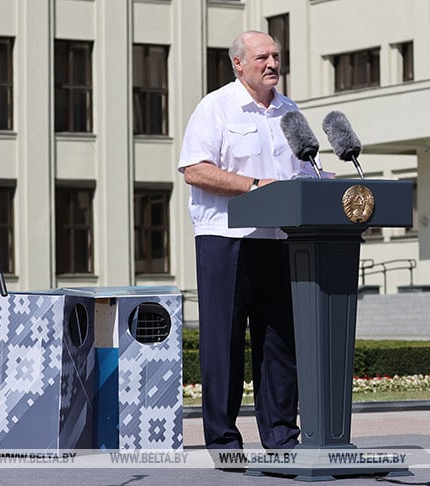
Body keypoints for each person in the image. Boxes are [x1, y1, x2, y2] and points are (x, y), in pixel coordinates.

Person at [178, 30, 318, 452]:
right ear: (238, 64)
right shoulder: (216, 107)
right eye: (262, 57)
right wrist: (255, 186)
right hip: (227, 239)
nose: (273, 63)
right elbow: (194, 170)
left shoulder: (290, 111)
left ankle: (281, 437)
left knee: (280, 342)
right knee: (224, 342)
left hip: (279, 240)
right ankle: (224, 441)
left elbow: (308, 170)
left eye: (277, 55)